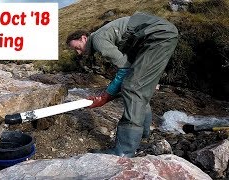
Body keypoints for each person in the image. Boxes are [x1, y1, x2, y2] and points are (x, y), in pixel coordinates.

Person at [66, 12, 178, 157]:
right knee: (139, 89)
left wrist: (105, 97)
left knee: (132, 88)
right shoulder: (107, 36)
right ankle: (143, 135)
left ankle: (123, 151)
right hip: (162, 35)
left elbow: (124, 69)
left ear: (83, 38)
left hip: (157, 37)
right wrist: (109, 94)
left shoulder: (98, 40)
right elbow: (127, 66)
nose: (78, 53)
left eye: (77, 47)